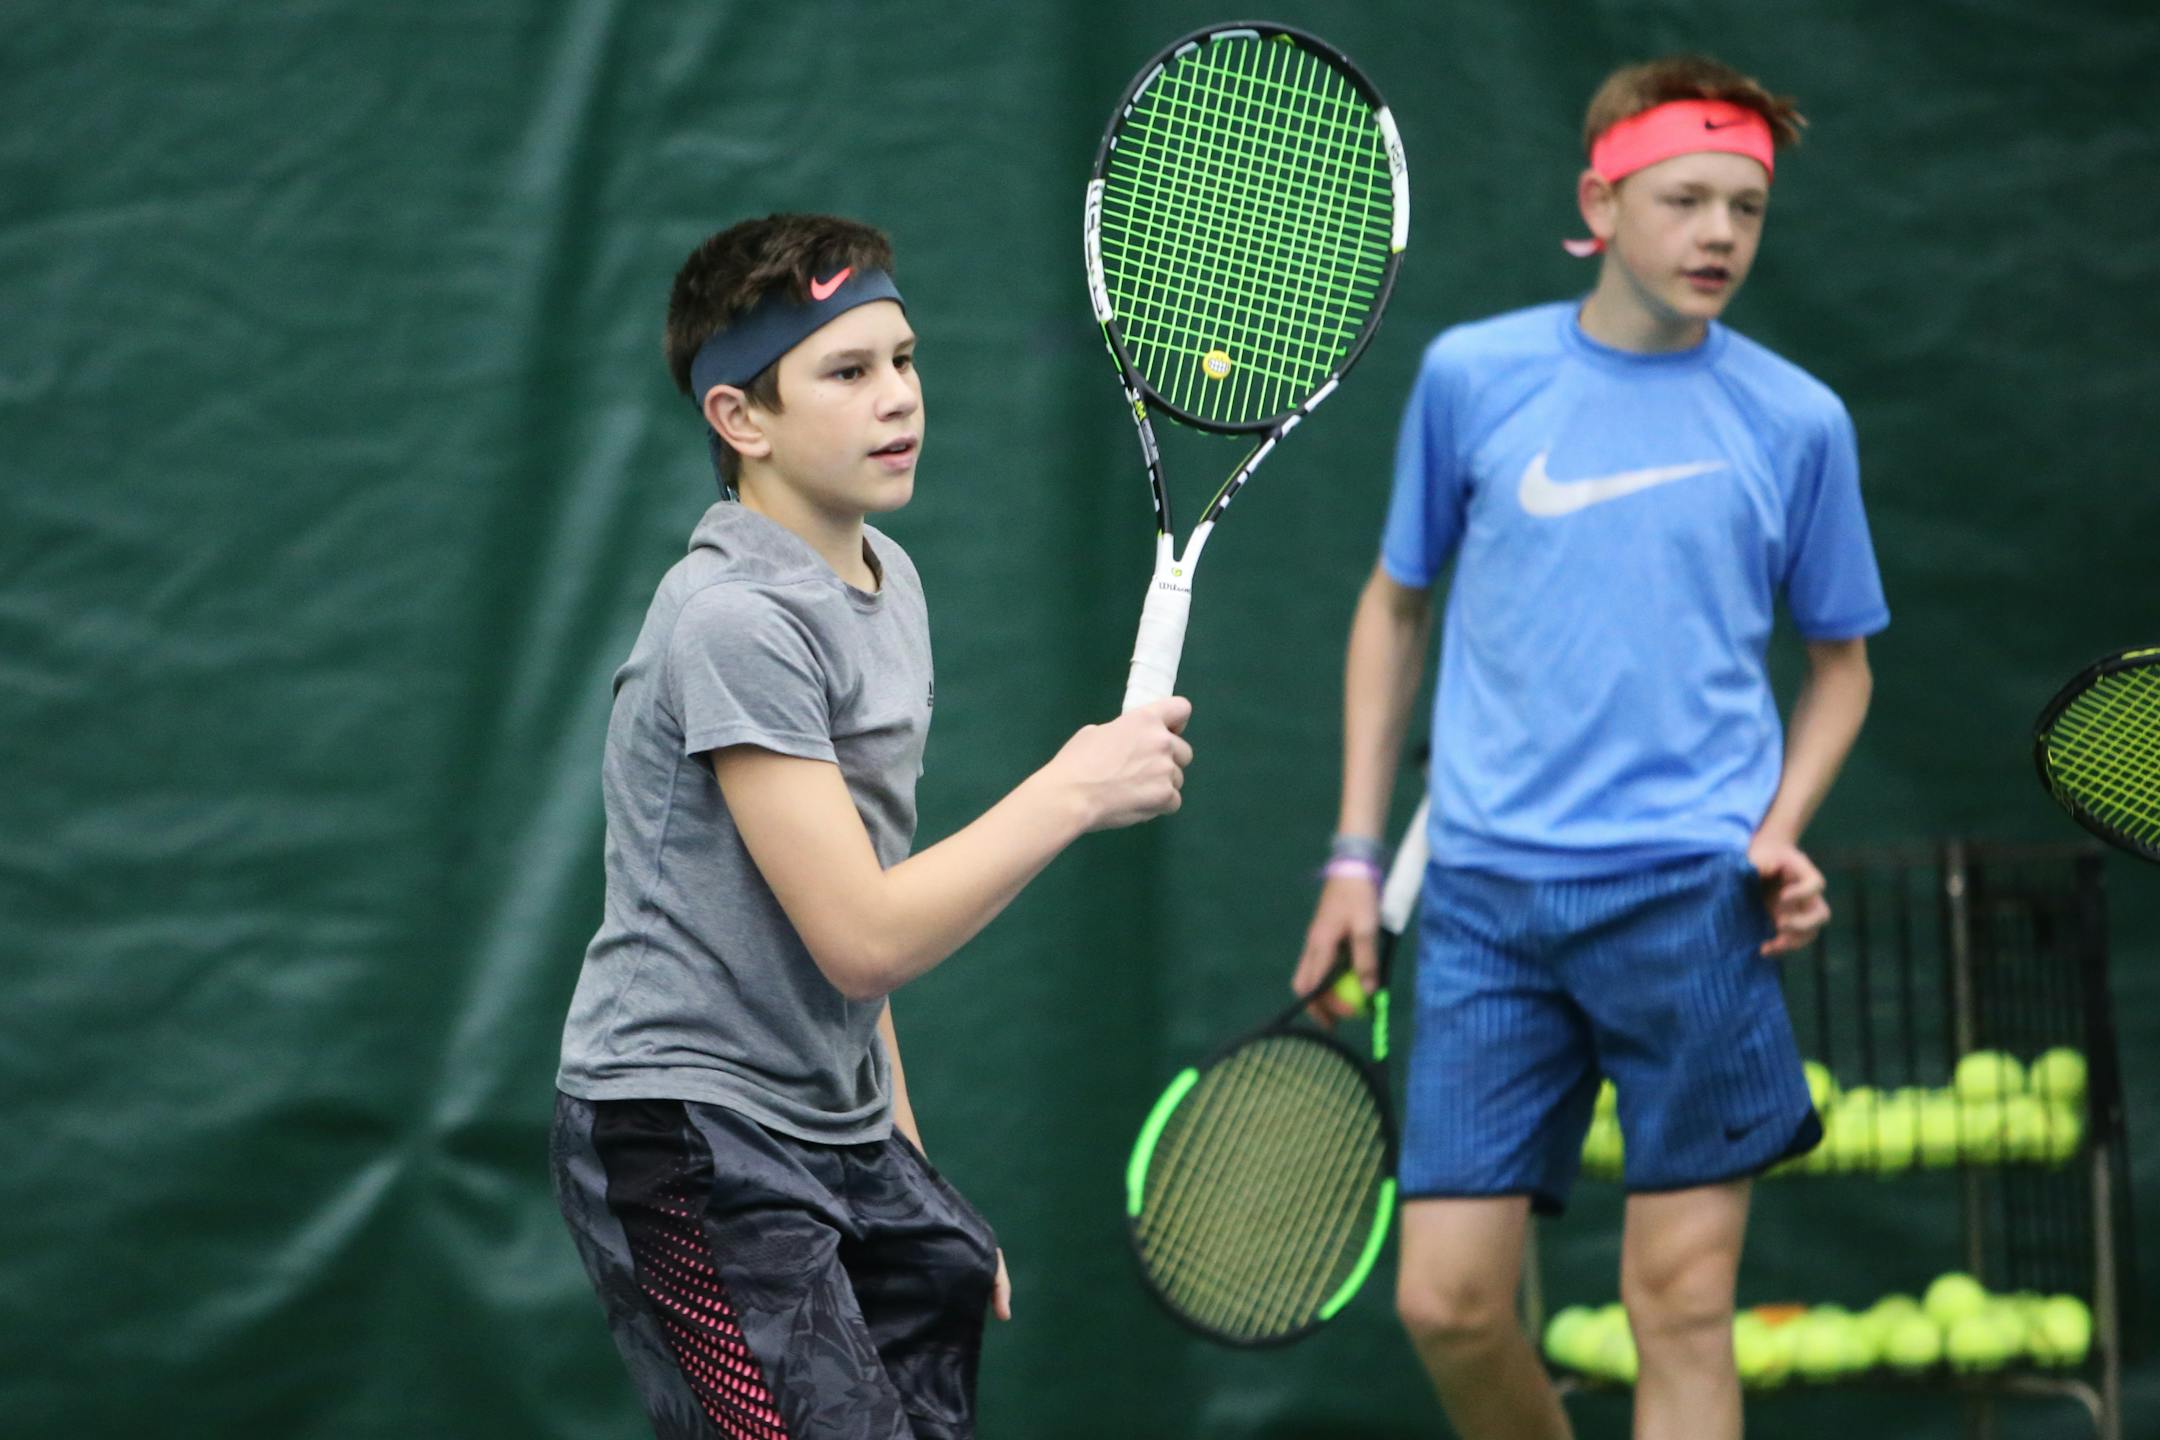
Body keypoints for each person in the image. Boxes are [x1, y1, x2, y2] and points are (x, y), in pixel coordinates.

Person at [1292, 55, 1888, 1440]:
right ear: (1599, 202)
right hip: (1488, 906)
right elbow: (1396, 608)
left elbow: (1842, 669)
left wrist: (1778, 827)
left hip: (1692, 900)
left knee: (1679, 1303)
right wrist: (1352, 856)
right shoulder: (1472, 379)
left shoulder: (1799, 421)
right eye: (1685, 199)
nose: (1720, 235)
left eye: (1745, 206)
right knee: (1446, 1302)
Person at [551, 213, 1192, 1440]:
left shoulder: (888, 587)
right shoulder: (734, 621)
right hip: (685, 1138)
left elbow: (856, 908)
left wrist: (905, 1172)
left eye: (904, 359)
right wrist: (1075, 787)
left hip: (831, 1126)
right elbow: (862, 937)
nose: (897, 398)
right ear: (741, 420)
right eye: (846, 372)